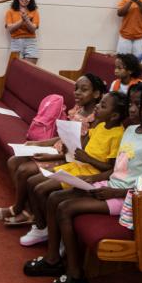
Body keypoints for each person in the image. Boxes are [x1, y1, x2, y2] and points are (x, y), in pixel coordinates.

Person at [23, 72, 142, 283]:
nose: (132, 109)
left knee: (66, 208)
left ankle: (75, 274)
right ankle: (53, 259)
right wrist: (96, 178)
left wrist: (115, 191)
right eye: (131, 103)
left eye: (140, 105)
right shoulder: (131, 130)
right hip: (110, 184)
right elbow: (118, 167)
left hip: (127, 197)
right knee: (54, 198)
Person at [0, 74, 105, 226]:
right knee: (13, 161)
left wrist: (47, 156)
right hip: (57, 149)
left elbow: (76, 151)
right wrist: (38, 144)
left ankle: (21, 210)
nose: (77, 92)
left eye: (83, 90)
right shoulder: (78, 109)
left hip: (68, 157)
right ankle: (26, 208)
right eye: (76, 88)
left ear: (96, 94)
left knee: (24, 170)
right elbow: (62, 138)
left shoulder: (95, 119)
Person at [19, 92, 127, 246]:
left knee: (41, 189)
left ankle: (48, 230)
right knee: (32, 182)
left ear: (114, 115)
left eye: (102, 105)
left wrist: (87, 158)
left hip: (89, 174)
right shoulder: (101, 125)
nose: (97, 106)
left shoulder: (118, 135)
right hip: (76, 166)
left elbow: (110, 167)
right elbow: (83, 146)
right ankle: (43, 226)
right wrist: (71, 140)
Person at [5, 0, 40, 64]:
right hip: (16, 42)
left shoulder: (34, 11)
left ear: (30, 0)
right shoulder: (10, 11)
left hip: (30, 42)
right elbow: (10, 29)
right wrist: (22, 20)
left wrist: (26, 20)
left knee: (29, 70)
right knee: (16, 69)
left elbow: (33, 29)